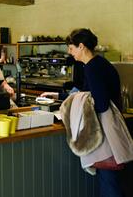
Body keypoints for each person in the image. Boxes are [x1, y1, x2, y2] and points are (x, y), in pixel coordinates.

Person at [53, 28, 126, 197]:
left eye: (71, 48)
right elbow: (87, 93)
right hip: (111, 126)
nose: (70, 53)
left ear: (81, 46)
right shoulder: (98, 63)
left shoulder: (92, 67)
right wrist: (60, 95)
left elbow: (100, 103)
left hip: (105, 131)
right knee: (109, 180)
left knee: (109, 182)